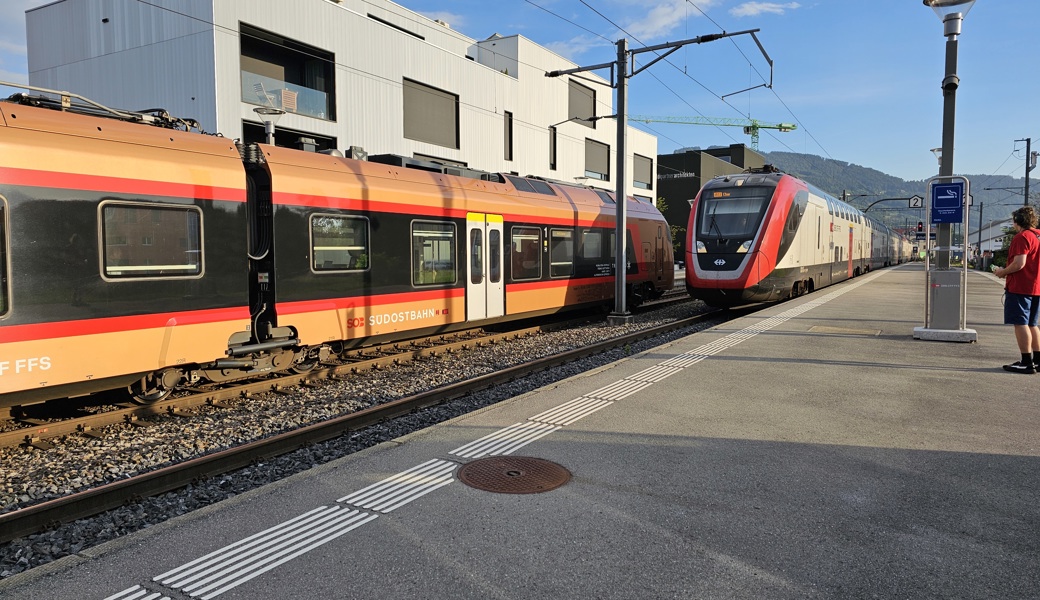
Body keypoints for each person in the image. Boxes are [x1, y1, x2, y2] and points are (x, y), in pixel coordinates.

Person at [994, 206, 1040, 374]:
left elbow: (1019, 263)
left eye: (1014, 221)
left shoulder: (1022, 237)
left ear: (1018, 221)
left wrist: (1002, 272)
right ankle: (1037, 360)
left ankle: (1026, 362)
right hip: (1036, 287)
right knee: (1032, 324)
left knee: (1020, 323)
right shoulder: (1038, 235)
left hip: (1021, 287)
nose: (1013, 224)